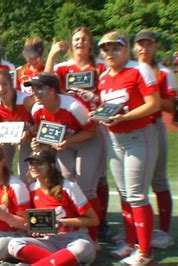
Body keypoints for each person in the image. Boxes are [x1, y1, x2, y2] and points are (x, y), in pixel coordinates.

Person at [96, 32, 160, 265]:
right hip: (115, 138)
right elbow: (108, 108)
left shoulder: (139, 69)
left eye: (115, 48)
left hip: (139, 136)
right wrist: (103, 116)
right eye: (106, 49)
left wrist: (124, 118)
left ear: (125, 50)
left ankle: (145, 253)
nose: (110, 53)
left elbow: (153, 104)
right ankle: (131, 242)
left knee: (136, 194)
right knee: (124, 193)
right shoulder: (103, 76)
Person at [45, 26, 109, 241]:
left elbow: (108, 97)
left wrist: (94, 99)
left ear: (90, 44)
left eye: (83, 39)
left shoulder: (98, 67)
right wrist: (53, 54)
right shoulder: (64, 68)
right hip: (68, 130)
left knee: (91, 183)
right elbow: (45, 81)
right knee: (69, 184)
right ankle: (76, 228)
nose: (80, 43)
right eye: (76, 40)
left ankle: (95, 230)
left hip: (92, 128)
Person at [28, 73, 103, 245]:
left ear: (53, 90)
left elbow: (92, 131)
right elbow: (46, 134)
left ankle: (93, 235)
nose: (35, 92)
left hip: (88, 141)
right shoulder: (37, 110)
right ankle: (70, 227)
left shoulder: (73, 107)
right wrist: (38, 143)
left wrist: (69, 140)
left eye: (40, 88)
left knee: (87, 188)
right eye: (33, 88)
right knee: (67, 185)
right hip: (65, 143)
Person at [8, 148, 99, 265]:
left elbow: (93, 220)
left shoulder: (68, 187)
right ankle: (62, 262)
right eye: (31, 163)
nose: (34, 167)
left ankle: (52, 261)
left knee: (83, 247)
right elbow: (33, 220)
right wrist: (35, 230)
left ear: (51, 166)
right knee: (14, 244)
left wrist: (63, 222)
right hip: (49, 241)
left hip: (74, 239)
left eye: (39, 163)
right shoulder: (31, 189)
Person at [134, 29, 176, 249]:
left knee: (158, 180)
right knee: (131, 186)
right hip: (129, 131)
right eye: (140, 44)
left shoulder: (163, 73)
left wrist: (151, 96)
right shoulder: (130, 69)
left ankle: (165, 230)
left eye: (148, 44)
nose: (144, 48)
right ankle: (134, 229)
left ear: (155, 47)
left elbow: (171, 106)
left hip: (153, 126)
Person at [0, 70, 35, 182]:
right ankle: (7, 188)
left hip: (32, 136)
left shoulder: (26, 100)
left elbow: (42, 121)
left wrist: (29, 133)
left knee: (25, 173)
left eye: (5, 84)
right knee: (1, 163)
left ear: (11, 84)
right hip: (13, 135)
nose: (1, 89)